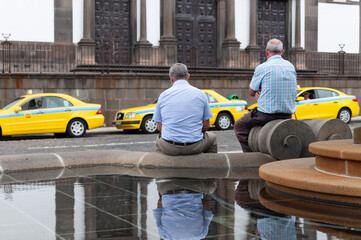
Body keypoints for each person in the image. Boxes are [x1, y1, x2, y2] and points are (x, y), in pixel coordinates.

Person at [234, 39, 297, 152]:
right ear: (282, 52)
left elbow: (251, 92)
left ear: (266, 52)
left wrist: (260, 92)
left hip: (266, 114)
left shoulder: (263, 67)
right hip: (287, 115)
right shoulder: (291, 67)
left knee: (240, 126)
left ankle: (250, 155)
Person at [153, 63, 217, 155]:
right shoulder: (200, 94)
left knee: (158, 141)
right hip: (194, 146)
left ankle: (159, 165)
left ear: (171, 78)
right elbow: (206, 126)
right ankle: (208, 166)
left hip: (169, 147)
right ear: (188, 76)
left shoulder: (163, 96)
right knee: (212, 138)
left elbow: (159, 127)